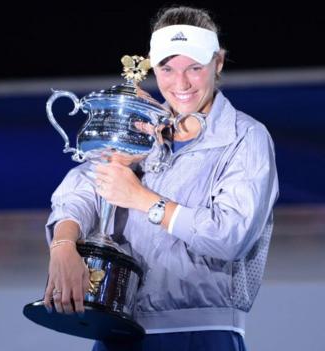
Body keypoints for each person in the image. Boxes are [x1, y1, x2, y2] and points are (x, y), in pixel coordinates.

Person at [42, 6, 279, 351]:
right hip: (117, 331)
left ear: (219, 63)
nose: (180, 84)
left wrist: (142, 198)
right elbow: (84, 187)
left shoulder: (246, 137)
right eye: (167, 68)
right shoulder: (145, 128)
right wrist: (63, 246)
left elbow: (231, 236)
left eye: (194, 68)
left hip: (202, 335)